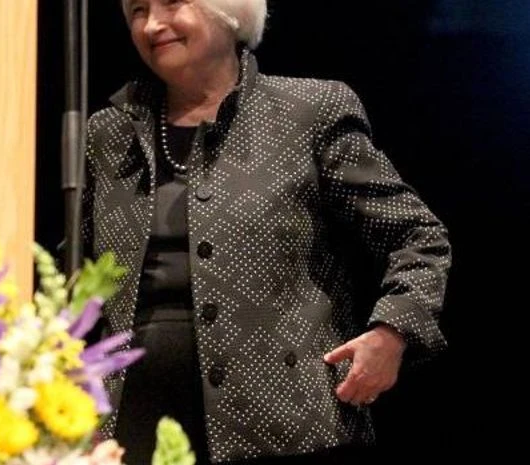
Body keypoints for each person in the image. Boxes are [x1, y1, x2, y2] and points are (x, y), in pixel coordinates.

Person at [80, 0, 451, 464]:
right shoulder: (105, 133)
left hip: (287, 428)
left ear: (229, 10)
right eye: (137, 10)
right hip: (130, 430)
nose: (152, 24)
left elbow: (417, 237)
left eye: (171, 3)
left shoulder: (307, 112)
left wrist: (392, 332)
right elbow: (72, 274)